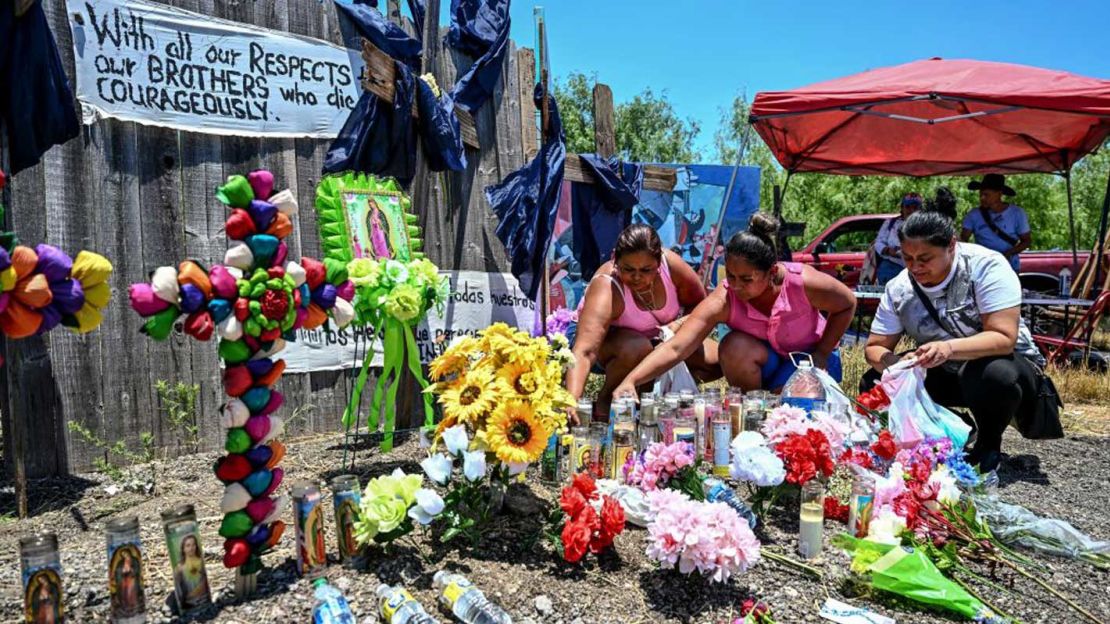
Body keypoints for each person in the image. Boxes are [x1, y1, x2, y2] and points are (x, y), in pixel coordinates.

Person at [863, 211, 1045, 473]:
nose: (915, 267)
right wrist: (896, 363)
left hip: (1008, 369)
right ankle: (955, 427)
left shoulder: (986, 266)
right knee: (877, 381)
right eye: (907, 258)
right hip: (946, 368)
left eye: (925, 258)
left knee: (992, 374)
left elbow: (1003, 338)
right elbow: (875, 347)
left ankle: (988, 445)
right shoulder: (898, 287)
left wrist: (947, 348)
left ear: (951, 244)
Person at [613, 213, 856, 396]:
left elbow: (847, 303)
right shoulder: (725, 297)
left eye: (746, 279)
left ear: (771, 272)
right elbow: (678, 347)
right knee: (732, 345)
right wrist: (631, 381)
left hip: (810, 362)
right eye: (730, 276)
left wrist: (822, 352)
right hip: (765, 363)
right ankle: (753, 408)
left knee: (793, 413)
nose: (736, 286)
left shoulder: (803, 282)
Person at [566, 223, 718, 421]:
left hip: (658, 339)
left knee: (716, 360)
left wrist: (676, 328)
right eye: (628, 269)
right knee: (637, 347)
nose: (637, 277)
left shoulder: (671, 266)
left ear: (659, 262)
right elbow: (585, 351)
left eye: (646, 270)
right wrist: (571, 399)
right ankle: (606, 401)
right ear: (615, 259)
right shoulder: (607, 286)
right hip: (609, 345)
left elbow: (702, 310)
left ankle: (661, 394)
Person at [960, 174, 1031, 271]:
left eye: (986, 195)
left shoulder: (1017, 213)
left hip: (1009, 267)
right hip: (982, 268)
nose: (982, 198)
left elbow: (1026, 241)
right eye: (981, 194)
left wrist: (1008, 253)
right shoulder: (974, 215)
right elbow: (963, 240)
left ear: (999, 194)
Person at [873, 193, 922, 285]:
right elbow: (878, 242)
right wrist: (888, 250)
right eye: (907, 207)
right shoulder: (890, 223)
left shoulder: (926, 225)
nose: (911, 210)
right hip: (891, 267)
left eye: (915, 207)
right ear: (902, 208)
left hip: (917, 268)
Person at [173, 534, 210, 609]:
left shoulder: (201, 562)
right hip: (189, 604)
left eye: (193, 545)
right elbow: (178, 588)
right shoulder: (179, 568)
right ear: (183, 549)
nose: (191, 548)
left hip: (205, 600)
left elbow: (205, 583)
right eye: (188, 545)